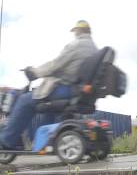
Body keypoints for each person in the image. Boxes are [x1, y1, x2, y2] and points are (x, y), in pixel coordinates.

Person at [0, 20, 98, 149]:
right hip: (79, 90)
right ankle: (43, 143)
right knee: (48, 107)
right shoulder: (94, 49)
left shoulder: (76, 45)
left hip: (67, 88)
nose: (74, 33)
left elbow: (55, 65)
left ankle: (6, 140)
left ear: (78, 31)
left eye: (75, 31)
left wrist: (34, 72)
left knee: (24, 101)